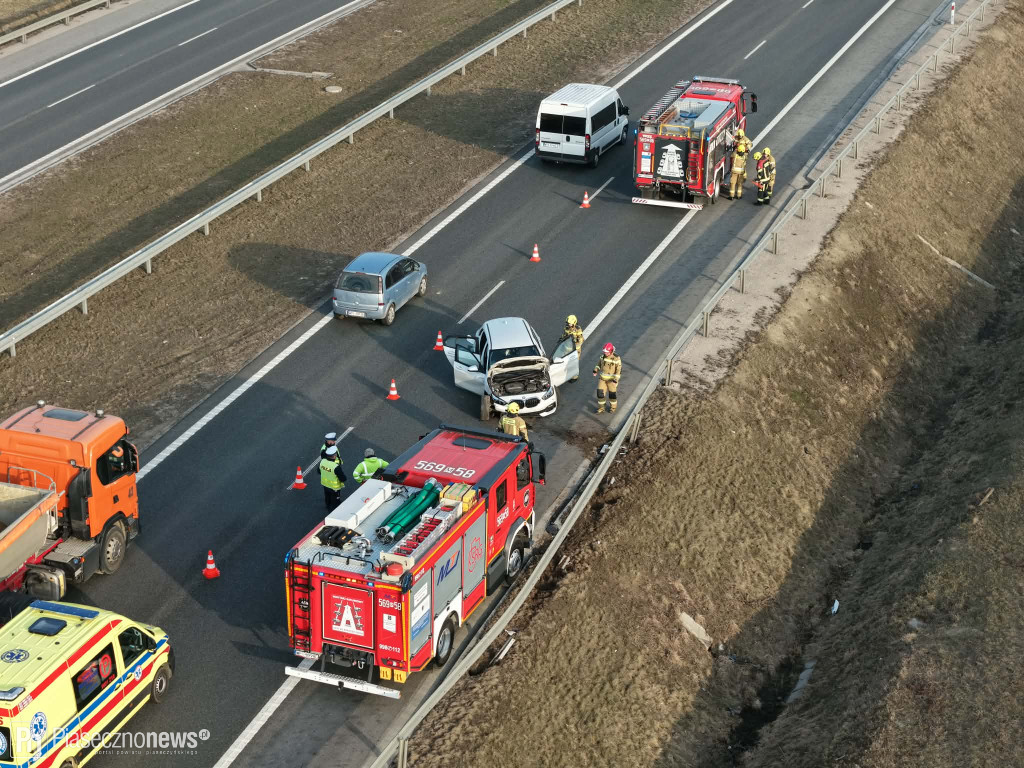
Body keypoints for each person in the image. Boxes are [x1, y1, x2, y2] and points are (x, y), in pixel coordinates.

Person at [593, 342, 622, 414]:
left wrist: (615, 380)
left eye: (606, 352)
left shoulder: (616, 358)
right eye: (604, 352)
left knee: (612, 395)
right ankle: (601, 408)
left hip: (612, 380)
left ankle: (613, 408)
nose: (605, 353)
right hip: (602, 379)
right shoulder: (602, 357)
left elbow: (619, 370)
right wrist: (595, 370)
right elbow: (598, 365)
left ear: (611, 351)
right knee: (600, 394)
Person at [319, 445, 347, 510]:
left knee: (327, 497)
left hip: (325, 484)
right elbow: (343, 478)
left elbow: (319, 471)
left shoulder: (322, 461)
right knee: (336, 502)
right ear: (334, 456)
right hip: (334, 487)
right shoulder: (335, 466)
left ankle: (328, 507)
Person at [559, 314, 585, 381]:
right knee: (565, 361)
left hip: (575, 349)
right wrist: (561, 339)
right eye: (567, 323)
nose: (568, 325)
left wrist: (575, 345)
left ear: (573, 323)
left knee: (574, 363)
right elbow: (564, 335)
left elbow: (581, 339)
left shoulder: (578, 330)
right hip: (567, 347)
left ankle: (574, 376)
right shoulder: (566, 328)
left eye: (569, 324)